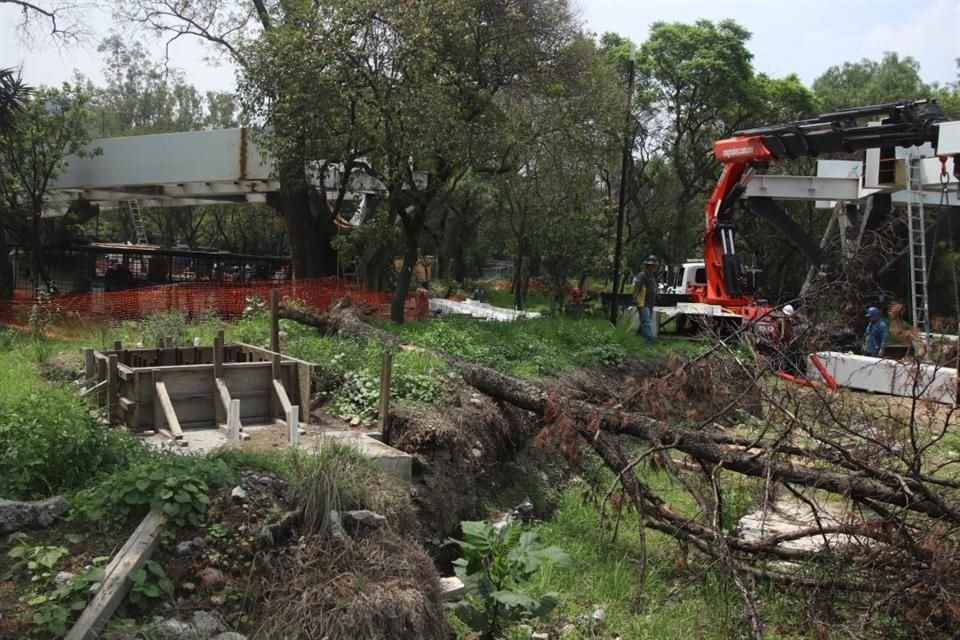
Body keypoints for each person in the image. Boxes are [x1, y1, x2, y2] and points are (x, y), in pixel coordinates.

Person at [632, 255, 659, 343]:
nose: (654, 268)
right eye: (652, 266)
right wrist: (635, 298)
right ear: (648, 266)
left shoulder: (652, 276)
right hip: (643, 303)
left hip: (650, 303)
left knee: (645, 321)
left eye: (655, 266)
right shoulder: (642, 275)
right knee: (646, 321)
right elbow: (637, 287)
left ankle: (639, 335)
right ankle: (649, 340)